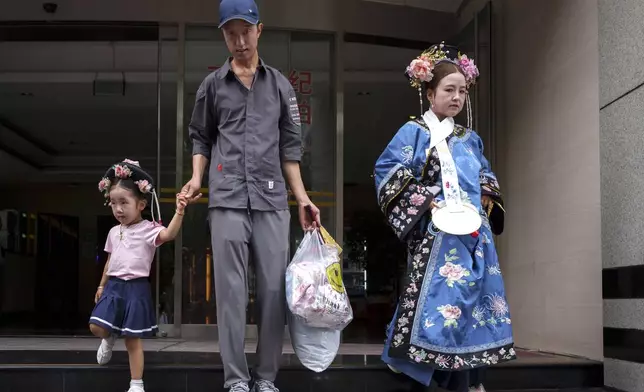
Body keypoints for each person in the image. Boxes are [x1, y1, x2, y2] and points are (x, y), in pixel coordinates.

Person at [181, 0, 321, 391]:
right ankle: (237, 379)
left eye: (246, 31)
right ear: (223, 35)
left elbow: (290, 149)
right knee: (230, 292)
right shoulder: (212, 86)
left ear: (260, 30)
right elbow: (201, 137)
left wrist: (303, 200)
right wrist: (196, 178)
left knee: (274, 290)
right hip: (226, 198)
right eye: (231, 33)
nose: (239, 41)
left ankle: (266, 377)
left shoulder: (280, 85)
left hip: (273, 200)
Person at [374, 43, 515, 392]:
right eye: (449, 90)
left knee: (474, 304)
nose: (456, 98)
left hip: (473, 234)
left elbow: (485, 175)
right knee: (441, 304)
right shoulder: (414, 133)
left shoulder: (471, 139)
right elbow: (388, 169)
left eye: (462, 91)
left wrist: (486, 195)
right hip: (437, 236)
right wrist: (426, 202)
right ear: (429, 93)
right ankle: (425, 373)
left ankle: (469, 378)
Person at [89, 159, 200, 392]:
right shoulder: (112, 231)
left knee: (132, 339)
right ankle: (108, 338)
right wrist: (101, 286)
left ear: (140, 205)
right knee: (97, 326)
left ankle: (136, 383)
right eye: (113, 203)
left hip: (136, 288)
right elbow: (109, 261)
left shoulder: (149, 229)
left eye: (124, 203)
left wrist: (179, 210)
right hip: (114, 287)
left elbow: (169, 234)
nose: (118, 209)